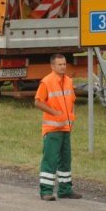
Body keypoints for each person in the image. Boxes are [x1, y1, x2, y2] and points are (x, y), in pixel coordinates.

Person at [34, 54, 81, 201]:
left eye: (64, 64)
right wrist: (54, 112)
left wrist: (72, 118)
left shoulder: (68, 81)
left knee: (65, 160)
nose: (63, 67)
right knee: (50, 159)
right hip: (52, 130)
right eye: (60, 64)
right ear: (52, 66)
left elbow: (72, 101)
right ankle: (46, 191)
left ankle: (65, 189)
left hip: (66, 128)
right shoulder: (47, 82)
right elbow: (37, 102)